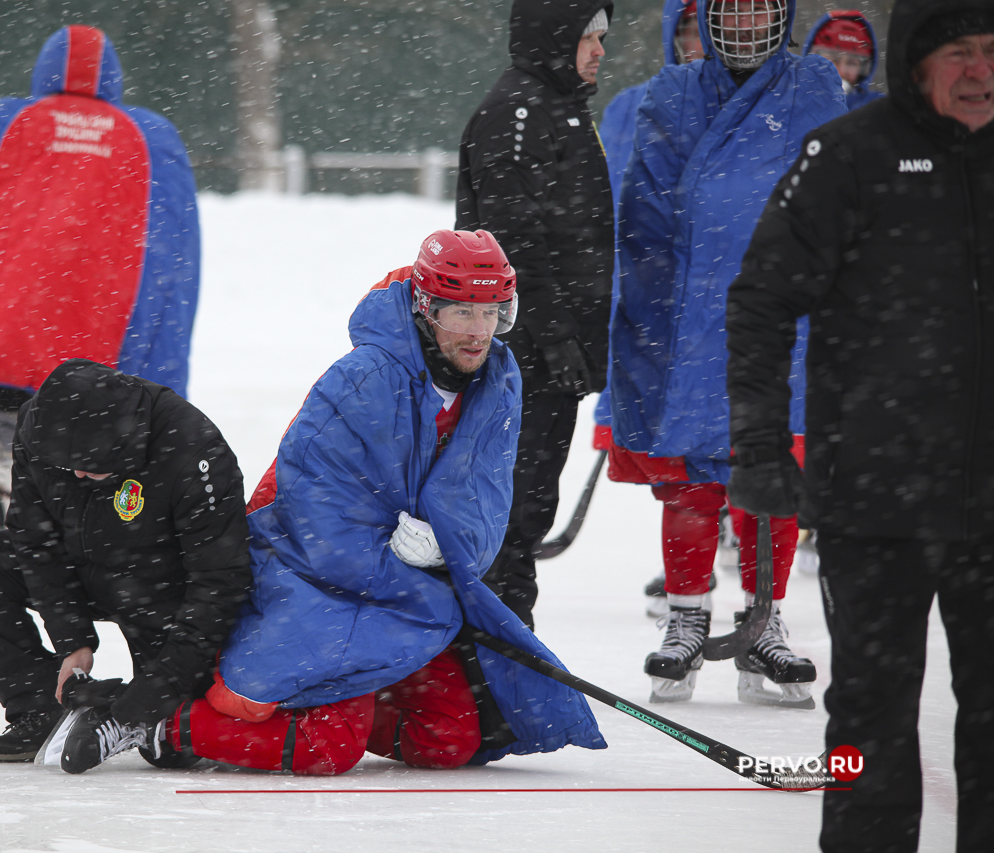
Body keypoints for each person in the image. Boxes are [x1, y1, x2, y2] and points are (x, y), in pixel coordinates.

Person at [51, 231, 606, 776]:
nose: (479, 332)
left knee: (450, 736)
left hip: (404, 597)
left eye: (494, 313)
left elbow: (488, 503)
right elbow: (315, 522)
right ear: (424, 306)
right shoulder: (361, 380)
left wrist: (449, 543)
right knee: (327, 749)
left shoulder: (499, 382)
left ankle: (319, 711)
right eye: (461, 312)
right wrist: (409, 573)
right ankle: (159, 723)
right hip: (312, 580)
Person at [725, 1, 994, 848]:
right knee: (868, 719)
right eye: (960, 53)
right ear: (916, 58)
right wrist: (762, 446)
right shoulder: (847, 155)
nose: (981, 71)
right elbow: (761, 303)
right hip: (874, 498)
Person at [608, 0, 845, 705]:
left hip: (783, 312)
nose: (745, 29)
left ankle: (764, 622)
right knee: (691, 478)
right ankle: (686, 614)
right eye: (731, 15)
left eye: (760, 13)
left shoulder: (815, 88)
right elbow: (644, 210)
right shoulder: (671, 94)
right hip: (689, 312)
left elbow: (840, 198)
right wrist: (645, 309)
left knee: (770, 473)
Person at [0, 25, 200, 535]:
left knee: (0, 396)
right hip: (95, 336)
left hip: (2, 330)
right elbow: (172, 250)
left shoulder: (2, 122)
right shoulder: (151, 137)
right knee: (78, 434)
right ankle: (63, 516)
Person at [0, 358, 252, 763]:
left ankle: (141, 703)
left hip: (160, 591)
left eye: (92, 465)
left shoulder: (194, 447)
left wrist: (152, 692)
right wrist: (74, 641)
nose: (79, 475)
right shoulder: (38, 427)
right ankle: (42, 708)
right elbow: (35, 540)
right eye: (69, 466)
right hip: (82, 566)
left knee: (171, 750)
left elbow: (220, 582)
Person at [455, 0, 616, 629]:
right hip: (520, 356)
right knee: (507, 515)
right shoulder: (517, 112)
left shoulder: (557, 107)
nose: (600, 49)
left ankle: (506, 653)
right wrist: (553, 338)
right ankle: (496, 663)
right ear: (554, 37)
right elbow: (511, 239)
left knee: (525, 512)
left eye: (603, 35)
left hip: (551, 355)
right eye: (587, 36)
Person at [595, 0, 712, 619]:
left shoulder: (761, 111)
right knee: (667, 444)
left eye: (705, 28)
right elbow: (615, 194)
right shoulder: (637, 104)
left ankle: (721, 565)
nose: (698, 41)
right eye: (687, 29)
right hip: (654, 289)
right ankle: (690, 570)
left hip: (721, 299)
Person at [803, 9, 884, 111]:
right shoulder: (790, 100)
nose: (841, 72)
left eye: (852, 63)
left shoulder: (877, 110)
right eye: (834, 60)